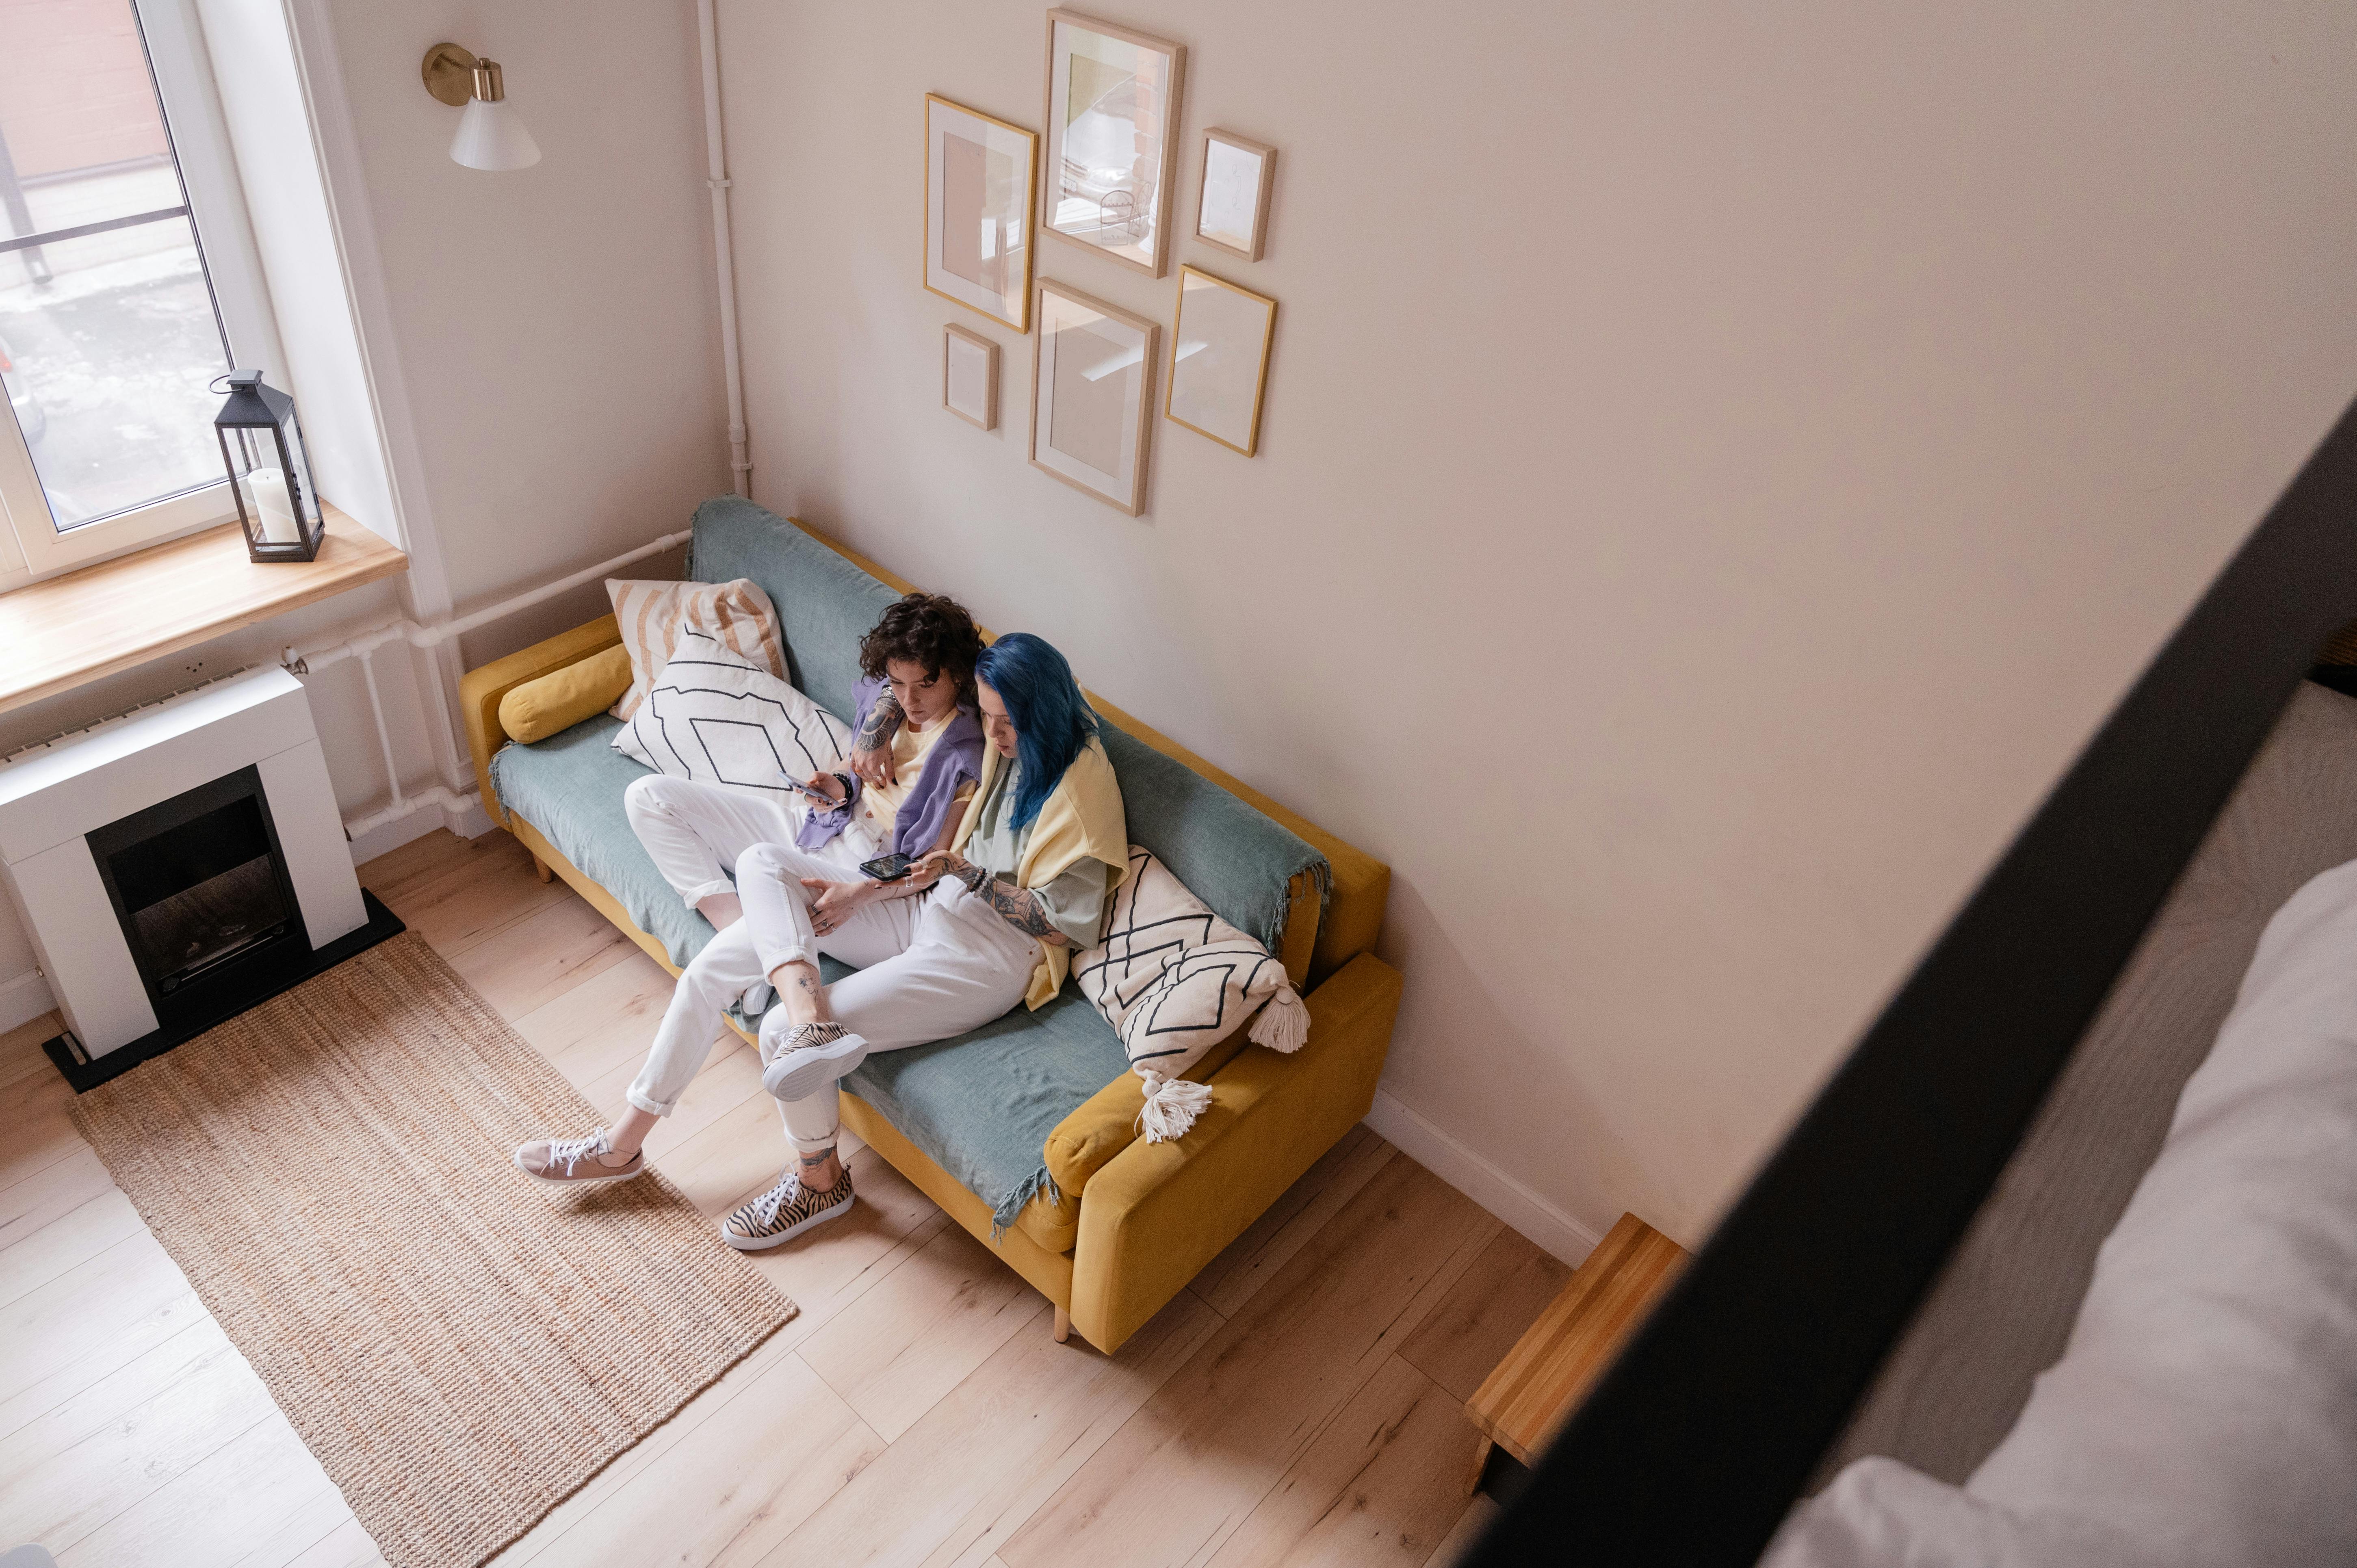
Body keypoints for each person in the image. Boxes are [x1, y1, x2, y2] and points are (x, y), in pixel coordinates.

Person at [511, 592, 987, 1196]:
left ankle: (620, 1146)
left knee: (706, 976)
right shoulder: (890, 702)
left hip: (885, 895)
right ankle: (759, 941)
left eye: (924, 686)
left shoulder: (971, 748)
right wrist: (837, 781)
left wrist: (853, 894)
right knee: (651, 797)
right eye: (898, 681)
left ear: (958, 675)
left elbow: (928, 863)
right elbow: (858, 774)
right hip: (831, 833)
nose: (910, 699)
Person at [708, 631, 1128, 1249]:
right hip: (934, 908)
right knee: (762, 864)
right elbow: (916, 665)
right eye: (987, 720)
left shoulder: (1082, 794)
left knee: (774, 1036)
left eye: (1007, 725)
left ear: (1046, 712)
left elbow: (1064, 926)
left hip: (987, 959)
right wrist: (865, 892)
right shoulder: (1007, 739)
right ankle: (811, 1020)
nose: (995, 739)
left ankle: (820, 1184)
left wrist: (968, 875)